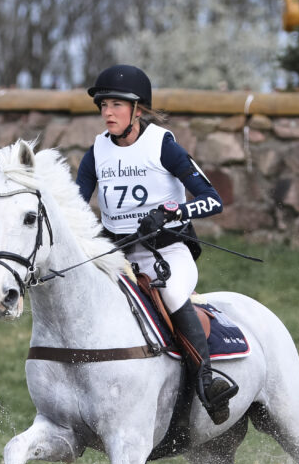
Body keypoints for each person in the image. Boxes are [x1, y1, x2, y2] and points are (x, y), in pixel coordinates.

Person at [76, 64, 235, 423]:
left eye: (116, 105)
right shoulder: (96, 153)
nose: (107, 113)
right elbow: (74, 208)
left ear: (138, 110)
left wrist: (171, 212)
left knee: (175, 297)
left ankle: (208, 382)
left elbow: (213, 199)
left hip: (167, 253)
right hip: (118, 257)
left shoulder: (162, 145)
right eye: (103, 105)